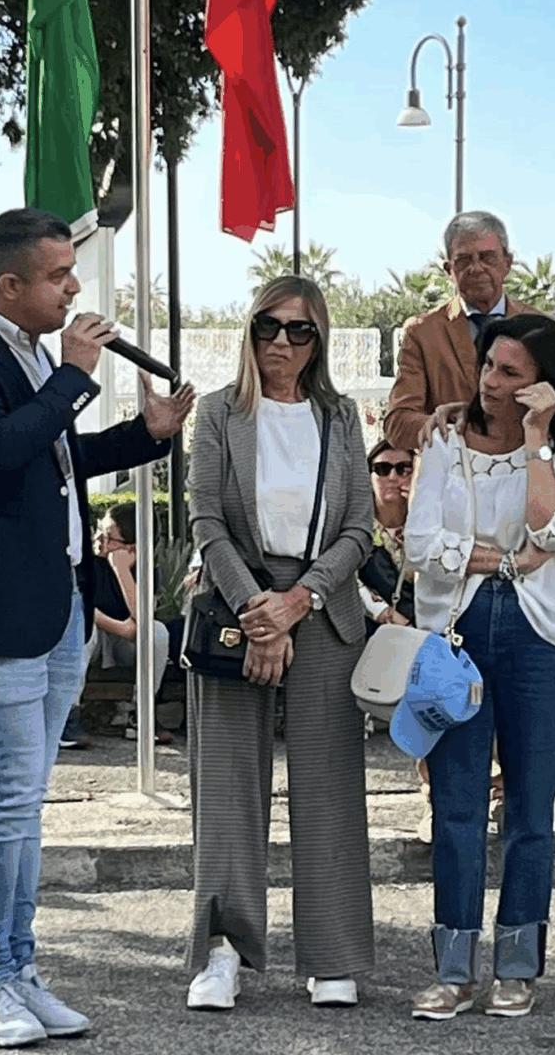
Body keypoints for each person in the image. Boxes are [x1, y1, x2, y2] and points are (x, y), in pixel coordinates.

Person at [0, 208, 194, 1049]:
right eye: (59, 275)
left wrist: (145, 436)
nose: (75, 289)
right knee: (5, 803)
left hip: (56, 610)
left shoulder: (29, 353)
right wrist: (72, 374)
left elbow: (53, 457)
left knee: (27, 805)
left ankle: (17, 968)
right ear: (10, 285)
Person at [185, 275, 374, 1012]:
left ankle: (331, 954)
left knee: (328, 788)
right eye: (269, 326)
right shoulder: (216, 413)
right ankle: (222, 953)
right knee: (228, 789)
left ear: (319, 338)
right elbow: (205, 518)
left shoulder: (341, 416)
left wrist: (299, 602)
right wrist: (257, 610)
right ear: (248, 330)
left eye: (299, 330)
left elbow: (360, 525)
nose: (281, 343)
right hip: (237, 602)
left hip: (321, 610)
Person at [402, 314, 555, 1021]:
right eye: (489, 366)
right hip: (453, 636)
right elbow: (421, 544)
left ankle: (517, 967)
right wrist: (506, 560)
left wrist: (537, 442)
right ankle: (452, 972)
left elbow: (554, 530)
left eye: (510, 373)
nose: (491, 382)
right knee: (453, 806)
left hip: (540, 639)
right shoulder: (444, 440)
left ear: (544, 383)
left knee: (529, 811)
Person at [384, 211, 539, 452]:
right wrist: (450, 427)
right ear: (449, 270)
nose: (476, 268)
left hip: (527, 474)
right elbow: (398, 423)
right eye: (464, 260)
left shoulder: (540, 326)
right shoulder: (423, 334)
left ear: (507, 263)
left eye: (487, 257)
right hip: (451, 480)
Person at [60, 502, 174, 749]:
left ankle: (141, 714)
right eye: (100, 529)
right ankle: (67, 716)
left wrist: (121, 570)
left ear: (132, 547)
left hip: (124, 644)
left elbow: (143, 617)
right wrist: (121, 628)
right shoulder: (82, 560)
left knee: (158, 633)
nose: (99, 538)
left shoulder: (146, 569)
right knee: (83, 629)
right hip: (95, 638)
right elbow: (81, 606)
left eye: (109, 537)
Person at [358, 440, 415, 633]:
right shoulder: (356, 524)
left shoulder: (429, 524)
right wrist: (384, 612)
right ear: (369, 477)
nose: (392, 477)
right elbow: (345, 578)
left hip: (425, 628)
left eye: (404, 469)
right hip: (372, 631)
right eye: (382, 469)